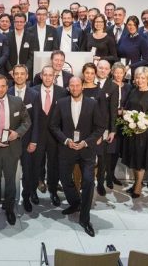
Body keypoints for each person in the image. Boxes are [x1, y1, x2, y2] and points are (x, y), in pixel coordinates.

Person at [49, 76, 104, 237]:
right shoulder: (61, 103)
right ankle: (75, 202)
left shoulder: (92, 104)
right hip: (67, 149)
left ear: (82, 87)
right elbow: (53, 125)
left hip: (86, 150)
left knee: (88, 181)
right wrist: (66, 141)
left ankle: (85, 219)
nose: (74, 88)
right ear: (68, 88)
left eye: (77, 85)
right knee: (65, 179)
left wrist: (86, 142)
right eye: (71, 86)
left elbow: (100, 127)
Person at [0, 75, 31, 225]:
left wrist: (17, 133)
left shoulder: (17, 101)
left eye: (3, 86)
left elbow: (26, 121)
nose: (0, 89)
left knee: (10, 181)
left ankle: (9, 209)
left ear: (7, 87)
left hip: (12, 149)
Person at [120, 66, 148, 198]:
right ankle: (137, 182)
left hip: (143, 133)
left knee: (140, 160)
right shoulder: (132, 91)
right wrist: (127, 118)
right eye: (137, 77)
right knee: (133, 159)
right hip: (130, 131)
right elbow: (126, 108)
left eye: (143, 78)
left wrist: (141, 127)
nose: (140, 80)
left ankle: (137, 187)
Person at [32, 65, 67, 207]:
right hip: (37, 135)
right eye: (45, 75)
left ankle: (53, 191)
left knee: (54, 164)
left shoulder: (62, 92)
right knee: (36, 163)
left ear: (54, 77)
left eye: (50, 75)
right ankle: (33, 189)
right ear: (41, 76)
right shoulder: (33, 91)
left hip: (55, 136)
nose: (47, 78)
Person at [8, 65, 39, 212]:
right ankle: (9, 199)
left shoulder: (34, 95)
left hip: (27, 141)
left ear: (27, 76)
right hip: (10, 140)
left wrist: (34, 141)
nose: (19, 76)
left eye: (22, 74)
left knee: (28, 172)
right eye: (17, 74)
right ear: (13, 76)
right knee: (10, 172)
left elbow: (37, 119)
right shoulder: (7, 92)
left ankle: (26, 197)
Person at [94, 60, 118, 196]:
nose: (103, 70)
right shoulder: (88, 82)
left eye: (106, 68)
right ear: (96, 68)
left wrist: (113, 130)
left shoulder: (113, 86)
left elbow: (113, 110)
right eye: (100, 68)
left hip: (104, 128)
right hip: (89, 126)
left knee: (102, 156)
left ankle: (100, 183)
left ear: (109, 71)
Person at [108, 62, 131, 186]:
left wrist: (124, 111)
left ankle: (111, 174)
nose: (118, 75)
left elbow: (131, 102)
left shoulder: (128, 87)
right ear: (112, 73)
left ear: (124, 74)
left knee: (117, 150)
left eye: (120, 73)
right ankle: (108, 175)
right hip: (110, 120)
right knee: (110, 149)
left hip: (123, 121)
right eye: (116, 72)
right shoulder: (108, 85)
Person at [6, 12, 36, 80]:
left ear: (25, 23)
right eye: (17, 21)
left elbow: (32, 56)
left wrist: (25, 69)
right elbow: (5, 55)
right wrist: (10, 70)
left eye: (21, 22)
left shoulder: (31, 37)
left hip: (26, 74)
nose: (19, 24)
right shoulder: (7, 36)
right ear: (14, 22)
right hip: (10, 74)